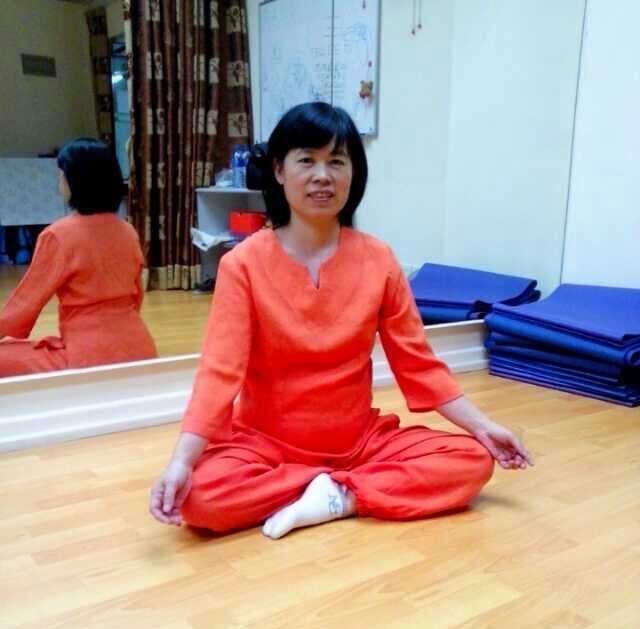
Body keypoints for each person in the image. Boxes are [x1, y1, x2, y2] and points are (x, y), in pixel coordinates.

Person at [149, 103, 533, 540]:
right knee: (199, 498)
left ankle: (338, 496)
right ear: (279, 170)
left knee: (471, 460)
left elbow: (418, 365)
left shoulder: (379, 260)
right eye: (306, 161)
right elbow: (219, 373)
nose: (322, 176)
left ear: (353, 173)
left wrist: (483, 427)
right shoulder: (242, 265)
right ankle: (334, 489)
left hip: (359, 444)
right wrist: (181, 461)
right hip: (265, 447)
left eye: (336, 161)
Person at [0, 138, 157, 376]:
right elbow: (137, 296)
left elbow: (23, 307)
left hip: (87, 358)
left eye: (61, 175)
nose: (59, 181)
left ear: (74, 181)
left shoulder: (57, 235)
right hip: (141, 349)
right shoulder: (128, 231)